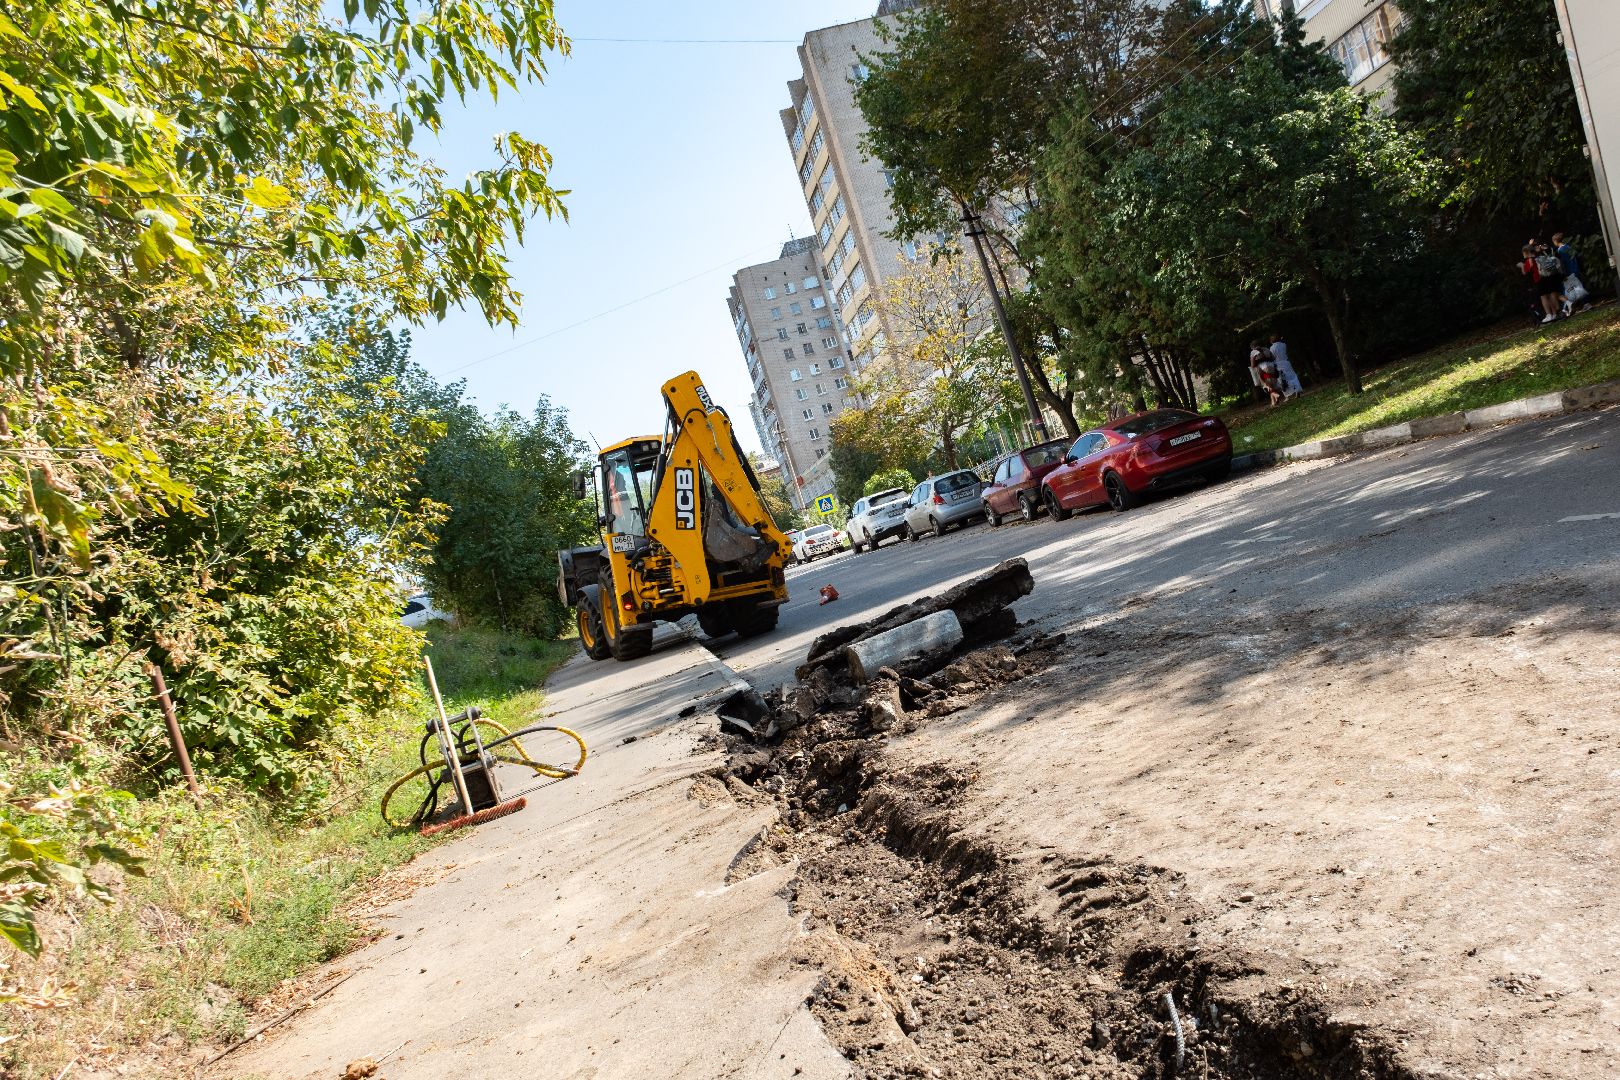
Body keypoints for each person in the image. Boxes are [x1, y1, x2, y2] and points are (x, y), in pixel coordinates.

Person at [1523, 240, 1569, 323]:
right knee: (1550, 296)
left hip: (1539, 279)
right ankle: (1554, 314)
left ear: (1526, 252)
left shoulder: (1529, 260)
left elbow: (1526, 271)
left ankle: (1549, 314)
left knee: (1544, 297)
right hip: (1547, 277)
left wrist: (1521, 266)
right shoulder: (1540, 255)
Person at [1553, 232, 1591, 312]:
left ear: (1555, 241)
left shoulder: (1560, 251)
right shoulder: (1568, 247)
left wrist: (1564, 274)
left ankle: (1575, 306)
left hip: (1569, 271)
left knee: (1570, 289)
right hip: (1576, 269)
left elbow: (1562, 264)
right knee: (1579, 286)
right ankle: (1585, 303)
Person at [1249, 340, 1283, 407]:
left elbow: (1252, 365)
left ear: (1252, 347)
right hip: (1271, 367)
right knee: (1271, 384)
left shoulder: (1253, 352)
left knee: (1266, 385)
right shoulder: (1266, 349)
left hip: (1262, 368)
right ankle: (1274, 402)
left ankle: (1276, 395)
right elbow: (1273, 358)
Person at [1269, 334, 1303, 398]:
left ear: (1272, 341)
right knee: (1293, 376)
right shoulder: (1284, 344)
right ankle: (1297, 390)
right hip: (1286, 362)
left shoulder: (1272, 348)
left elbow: (1273, 357)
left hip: (1279, 364)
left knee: (1282, 379)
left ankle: (1287, 396)